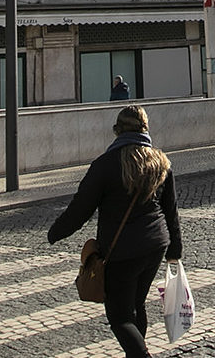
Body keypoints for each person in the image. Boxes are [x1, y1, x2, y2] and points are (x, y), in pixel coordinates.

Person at [48, 105, 183, 358]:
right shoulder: (161, 162)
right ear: (145, 128)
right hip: (155, 245)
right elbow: (171, 209)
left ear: (117, 130)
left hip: (122, 251)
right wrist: (175, 249)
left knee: (119, 316)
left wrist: (55, 232)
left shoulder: (105, 165)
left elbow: (81, 208)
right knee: (136, 304)